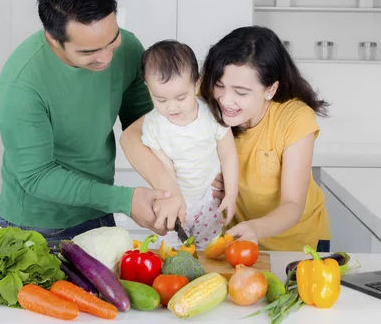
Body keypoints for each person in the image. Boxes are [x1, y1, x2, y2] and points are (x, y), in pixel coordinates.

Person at [0, 0, 172, 244]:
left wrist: (177, 180)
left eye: (112, 41)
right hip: (36, 225)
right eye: (88, 52)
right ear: (53, 39)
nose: (105, 59)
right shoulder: (21, 84)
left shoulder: (129, 49)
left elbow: (145, 127)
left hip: (99, 210)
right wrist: (125, 199)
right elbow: (37, 176)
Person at [122, 25, 331, 252]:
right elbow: (130, 138)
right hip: (233, 242)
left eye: (241, 92)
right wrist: (169, 189)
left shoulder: (295, 119)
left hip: (297, 246)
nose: (225, 101)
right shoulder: (198, 102)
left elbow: (293, 205)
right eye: (219, 85)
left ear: (270, 89)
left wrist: (254, 228)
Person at [134, 40, 239, 249]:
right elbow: (164, 166)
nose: (172, 107)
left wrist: (232, 193)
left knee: (209, 252)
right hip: (175, 199)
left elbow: (229, 154)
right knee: (173, 253)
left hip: (209, 199)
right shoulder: (153, 125)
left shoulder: (211, 115)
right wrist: (174, 198)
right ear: (148, 87)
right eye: (160, 99)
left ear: (196, 84)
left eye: (181, 97)